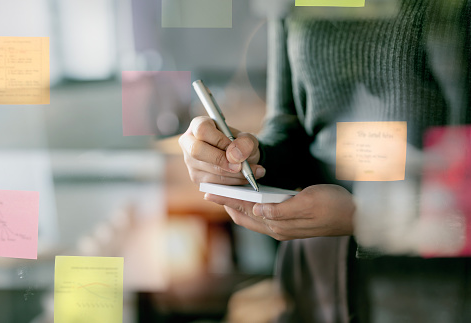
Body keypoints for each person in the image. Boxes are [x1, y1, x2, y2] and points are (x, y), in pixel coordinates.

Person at [179, 0, 471, 322]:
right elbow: (289, 124)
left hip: (439, 283)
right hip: (322, 279)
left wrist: (366, 218)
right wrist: (247, 157)